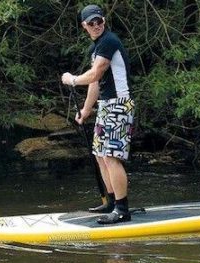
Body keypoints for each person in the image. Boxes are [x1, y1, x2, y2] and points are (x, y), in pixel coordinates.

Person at [61, 5, 135, 224]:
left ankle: (122, 209)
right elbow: (96, 81)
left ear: (104, 21)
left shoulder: (109, 41)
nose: (96, 26)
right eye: (91, 23)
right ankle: (111, 202)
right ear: (84, 26)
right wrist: (85, 110)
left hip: (119, 104)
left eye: (99, 22)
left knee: (111, 157)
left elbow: (96, 72)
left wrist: (72, 79)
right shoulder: (95, 48)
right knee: (100, 155)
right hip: (106, 105)